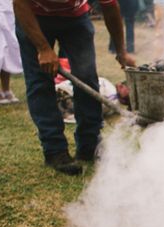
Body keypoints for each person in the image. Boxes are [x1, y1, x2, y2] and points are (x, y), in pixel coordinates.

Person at [13, 0, 136, 175]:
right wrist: (43, 48)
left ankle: (90, 145)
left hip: (75, 19)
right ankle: (55, 151)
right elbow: (19, 4)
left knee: (87, 78)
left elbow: (110, 7)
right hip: (35, 16)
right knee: (40, 82)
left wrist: (121, 51)